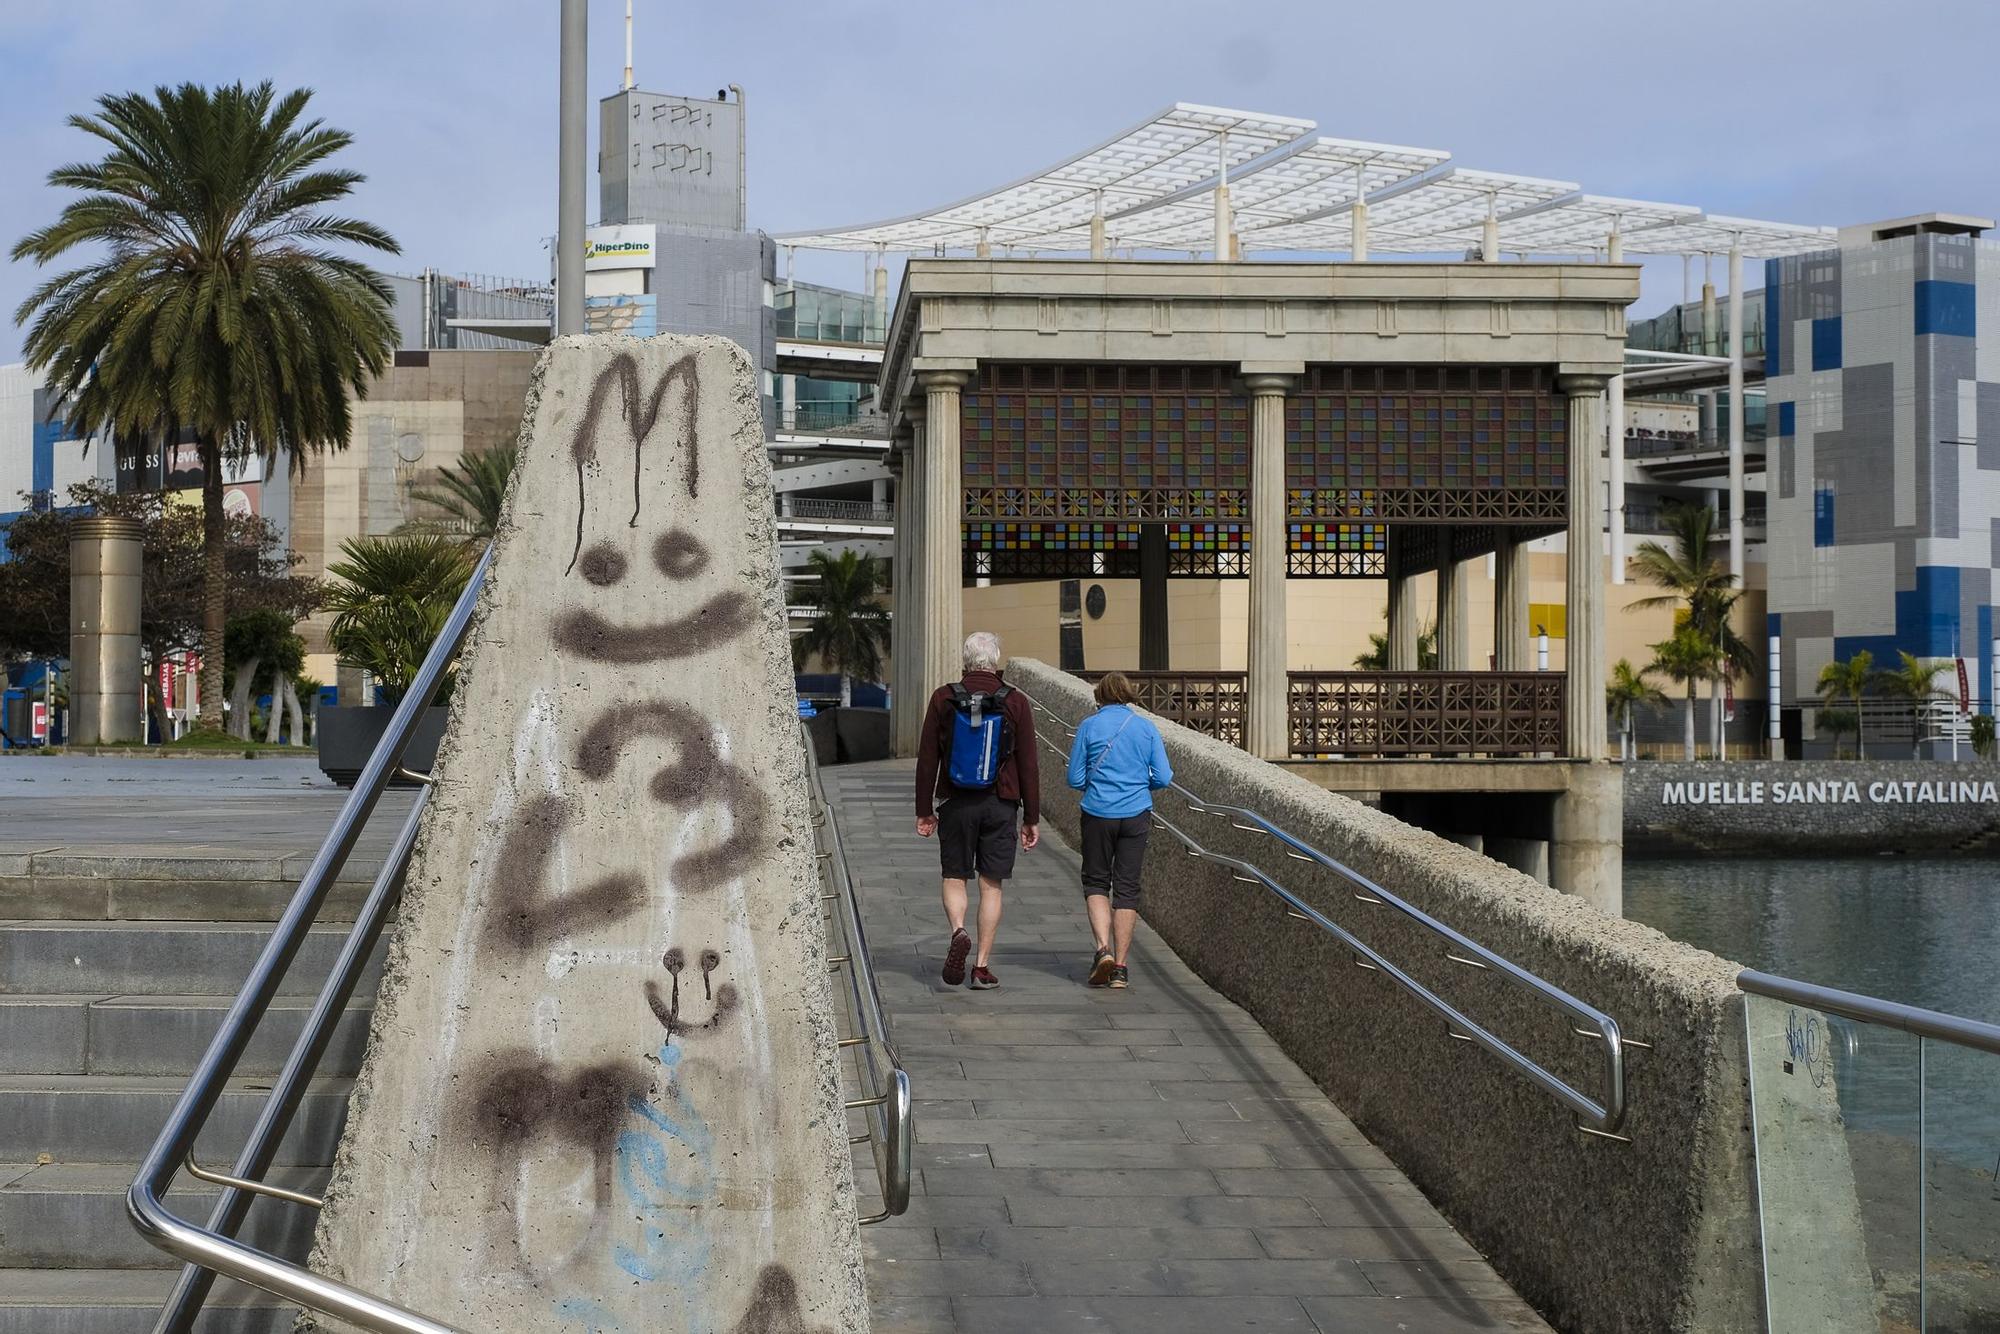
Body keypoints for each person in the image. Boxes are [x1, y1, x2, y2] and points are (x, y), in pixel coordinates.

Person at [915, 631, 1039, 990]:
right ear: (996, 661)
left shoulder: (943, 698)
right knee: (991, 885)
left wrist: (925, 809)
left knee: (955, 875)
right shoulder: (1015, 702)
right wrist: (1031, 817)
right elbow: (1029, 765)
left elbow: (927, 759)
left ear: (965, 662)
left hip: (955, 802)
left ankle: (958, 930)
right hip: (1000, 803)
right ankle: (981, 966)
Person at [1065, 671, 1172, 989]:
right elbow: (1164, 777)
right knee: (1127, 888)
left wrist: (1096, 785)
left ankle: (1103, 951)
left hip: (1098, 813)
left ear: (1100, 696)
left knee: (1097, 882)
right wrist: (1140, 785)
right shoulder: (1145, 727)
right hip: (1136, 813)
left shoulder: (1089, 726)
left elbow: (1074, 778)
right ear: (1129, 695)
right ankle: (1121, 969)